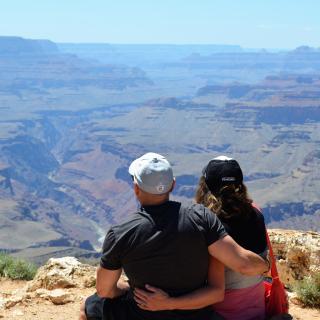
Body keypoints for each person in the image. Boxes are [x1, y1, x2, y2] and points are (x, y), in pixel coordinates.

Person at [80, 153, 269, 320]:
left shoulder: (121, 232)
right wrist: (267, 266)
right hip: (197, 313)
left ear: (136, 188)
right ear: (173, 185)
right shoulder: (203, 218)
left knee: (89, 307)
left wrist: (132, 291)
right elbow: (232, 273)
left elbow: (105, 290)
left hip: (143, 311)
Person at [135, 156, 268, 320]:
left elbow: (215, 290)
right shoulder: (256, 212)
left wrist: (169, 302)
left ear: (204, 186)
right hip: (256, 312)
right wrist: (265, 266)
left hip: (221, 314)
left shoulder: (206, 226)